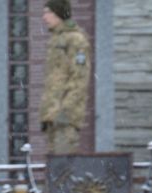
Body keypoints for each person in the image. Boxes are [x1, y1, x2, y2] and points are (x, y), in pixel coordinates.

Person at [40, 0, 90, 154]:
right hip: (53, 117)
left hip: (64, 118)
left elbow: (79, 79)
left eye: (48, 12)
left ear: (59, 14)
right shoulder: (56, 38)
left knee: (63, 167)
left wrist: (65, 111)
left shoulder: (76, 40)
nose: (44, 17)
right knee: (54, 169)